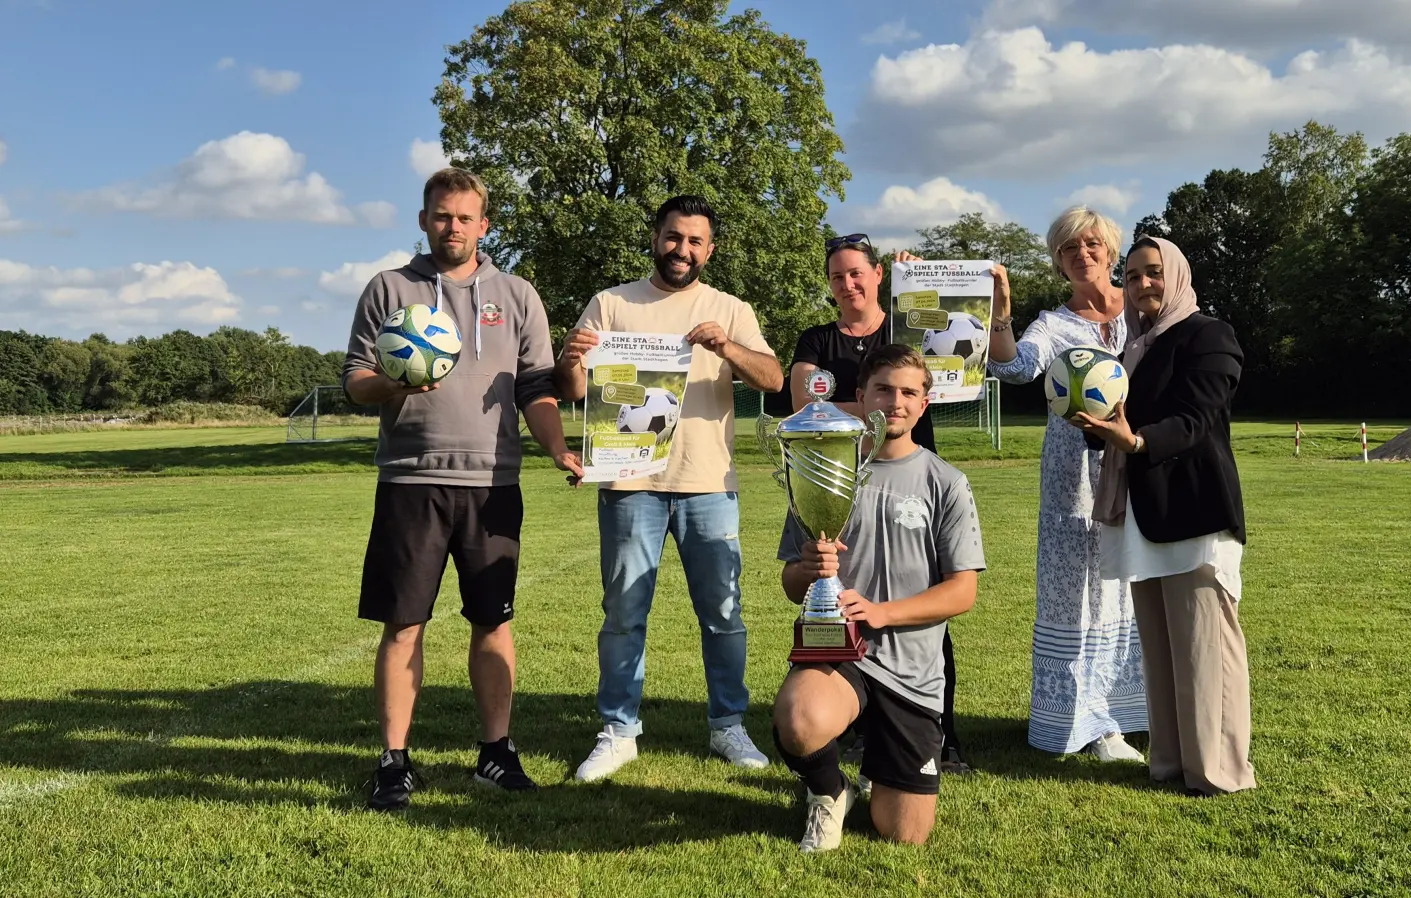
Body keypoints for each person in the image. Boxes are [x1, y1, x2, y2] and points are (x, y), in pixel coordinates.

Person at [343, 167, 584, 811]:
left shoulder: (517, 293)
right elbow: (356, 381)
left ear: (485, 224)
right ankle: (394, 761)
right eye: (442, 215)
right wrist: (396, 382)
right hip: (411, 481)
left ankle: (495, 754)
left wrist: (557, 446)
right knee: (403, 625)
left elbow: (537, 386)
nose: (454, 227)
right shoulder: (389, 289)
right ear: (423, 219)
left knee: (493, 622)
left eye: (466, 217)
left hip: (493, 483)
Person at [555, 195, 786, 782]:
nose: (682, 250)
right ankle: (618, 729)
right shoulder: (611, 303)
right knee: (625, 612)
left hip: (709, 482)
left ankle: (728, 725)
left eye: (695, 241)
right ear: (655, 236)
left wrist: (725, 347)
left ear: (710, 249)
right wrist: (571, 358)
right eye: (673, 237)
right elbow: (577, 392)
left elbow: (774, 379)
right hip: (631, 482)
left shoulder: (730, 308)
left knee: (724, 616)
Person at [773, 343, 985, 851]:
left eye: (909, 392)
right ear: (861, 396)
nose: (896, 401)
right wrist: (809, 568)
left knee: (904, 833)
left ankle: (881, 772)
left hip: (913, 672)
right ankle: (829, 791)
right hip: (842, 652)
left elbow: (963, 591)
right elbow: (790, 584)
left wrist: (883, 613)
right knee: (800, 719)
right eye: (884, 389)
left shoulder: (946, 482)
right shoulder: (820, 469)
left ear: (925, 403)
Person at [788, 234, 978, 774]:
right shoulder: (818, 340)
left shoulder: (906, 325)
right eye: (836, 276)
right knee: (847, 594)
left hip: (914, 470)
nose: (847, 284)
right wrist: (885, 404)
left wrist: (927, 286)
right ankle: (850, 724)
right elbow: (803, 402)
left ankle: (943, 734)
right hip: (842, 479)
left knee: (927, 611)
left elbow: (962, 349)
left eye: (856, 273)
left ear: (877, 275)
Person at [1073, 236, 1255, 795]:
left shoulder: (1208, 334)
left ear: (1176, 275)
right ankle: (1170, 763)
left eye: (1153, 272)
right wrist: (1105, 432)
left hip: (1194, 510)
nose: (1142, 284)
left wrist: (1136, 439)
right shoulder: (1133, 347)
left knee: (1205, 646)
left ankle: (1218, 772)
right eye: (1131, 277)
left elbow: (1198, 419)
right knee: (1160, 647)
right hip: (1143, 513)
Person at [986, 207, 1147, 762]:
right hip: (1072, 480)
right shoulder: (1054, 326)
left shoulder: (1145, 312)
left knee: (1136, 592)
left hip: (1142, 468)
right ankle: (1093, 725)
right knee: (1081, 597)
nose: (1082, 254)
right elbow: (1013, 369)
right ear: (1059, 261)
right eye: (1068, 248)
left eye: (1092, 244)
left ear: (1111, 250)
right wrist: (1000, 314)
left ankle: (1138, 712)